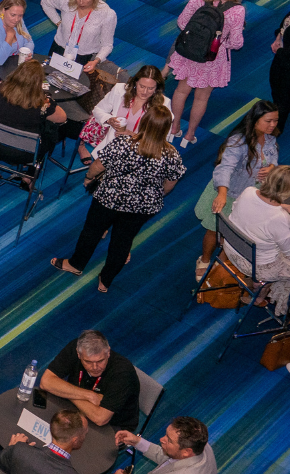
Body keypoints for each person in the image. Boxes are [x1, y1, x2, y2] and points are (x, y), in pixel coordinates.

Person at [51, 105, 184, 291]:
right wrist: (158, 194)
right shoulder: (172, 154)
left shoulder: (124, 143)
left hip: (109, 198)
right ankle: (105, 280)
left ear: (144, 123)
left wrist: (89, 178)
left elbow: (98, 165)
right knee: (123, 241)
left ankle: (76, 264)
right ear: (166, 128)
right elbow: (171, 181)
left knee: (92, 231)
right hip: (142, 207)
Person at [193, 102, 279, 276]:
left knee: (239, 232)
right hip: (229, 192)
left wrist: (272, 168)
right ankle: (204, 259)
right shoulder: (238, 142)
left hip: (252, 197)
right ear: (255, 120)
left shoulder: (270, 139)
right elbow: (224, 168)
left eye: (275, 121)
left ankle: (223, 264)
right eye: (268, 121)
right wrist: (222, 194)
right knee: (213, 229)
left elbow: (274, 161)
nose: (273, 125)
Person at [165, 0, 245, 147]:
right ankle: (189, 135)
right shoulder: (237, 10)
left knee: (181, 91)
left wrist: (198, 35)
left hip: (190, 50)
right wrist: (220, 44)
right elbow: (236, 43)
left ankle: (174, 128)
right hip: (213, 57)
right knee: (201, 98)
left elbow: (182, 22)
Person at [0, 60, 67, 187]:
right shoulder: (42, 104)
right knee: (50, 131)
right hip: (25, 154)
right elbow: (62, 118)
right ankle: (29, 177)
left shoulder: (0, 90)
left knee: (1, 123)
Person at [39, 330, 140, 430]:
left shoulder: (122, 372)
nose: (95, 367)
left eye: (100, 361)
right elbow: (45, 382)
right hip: (76, 411)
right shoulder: (75, 347)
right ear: (79, 355)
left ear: (108, 352)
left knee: (64, 439)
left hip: (113, 426)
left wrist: (67, 393)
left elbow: (100, 418)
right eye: (88, 362)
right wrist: (89, 396)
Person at [223, 166, 290, 314]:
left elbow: (237, 209)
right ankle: (262, 292)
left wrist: (283, 207)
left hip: (232, 249)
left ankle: (258, 287)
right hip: (257, 266)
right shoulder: (279, 218)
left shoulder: (249, 191)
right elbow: (288, 251)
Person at [81, 65, 172, 165]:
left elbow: (162, 139)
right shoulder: (120, 90)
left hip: (138, 155)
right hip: (110, 149)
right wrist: (109, 119)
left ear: (157, 88)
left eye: (150, 88)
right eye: (142, 86)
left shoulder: (164, 104)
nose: (145, 92)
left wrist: (134, 136)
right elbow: (98, 110)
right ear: (135, 82)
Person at [114, 416, 217, 474]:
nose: (161, 439)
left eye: (169, 440)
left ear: (187, 451)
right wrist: (137, 442)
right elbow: (168, 457)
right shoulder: (200, 443)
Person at [0, 410, 87, 474]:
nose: (86, 435)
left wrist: (12, 448)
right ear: (75, 441)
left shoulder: (19, 451)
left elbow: (0, 462)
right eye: (85, 433)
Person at [41, 0, 116, 69]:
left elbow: (107, 45)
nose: (81, 1)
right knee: (48, 77)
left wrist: (96, 60)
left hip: (84, 58)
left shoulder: (107, 14)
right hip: (59, 48)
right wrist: (58, 22)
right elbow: (45, 2)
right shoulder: (66, 2)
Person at [273, 10, 290, 135]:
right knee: (278, 94)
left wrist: (280, 52)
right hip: (281, 62)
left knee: (283, 100)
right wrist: (278, 37)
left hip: (287, 64)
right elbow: (283, 26)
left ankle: (275, 130)